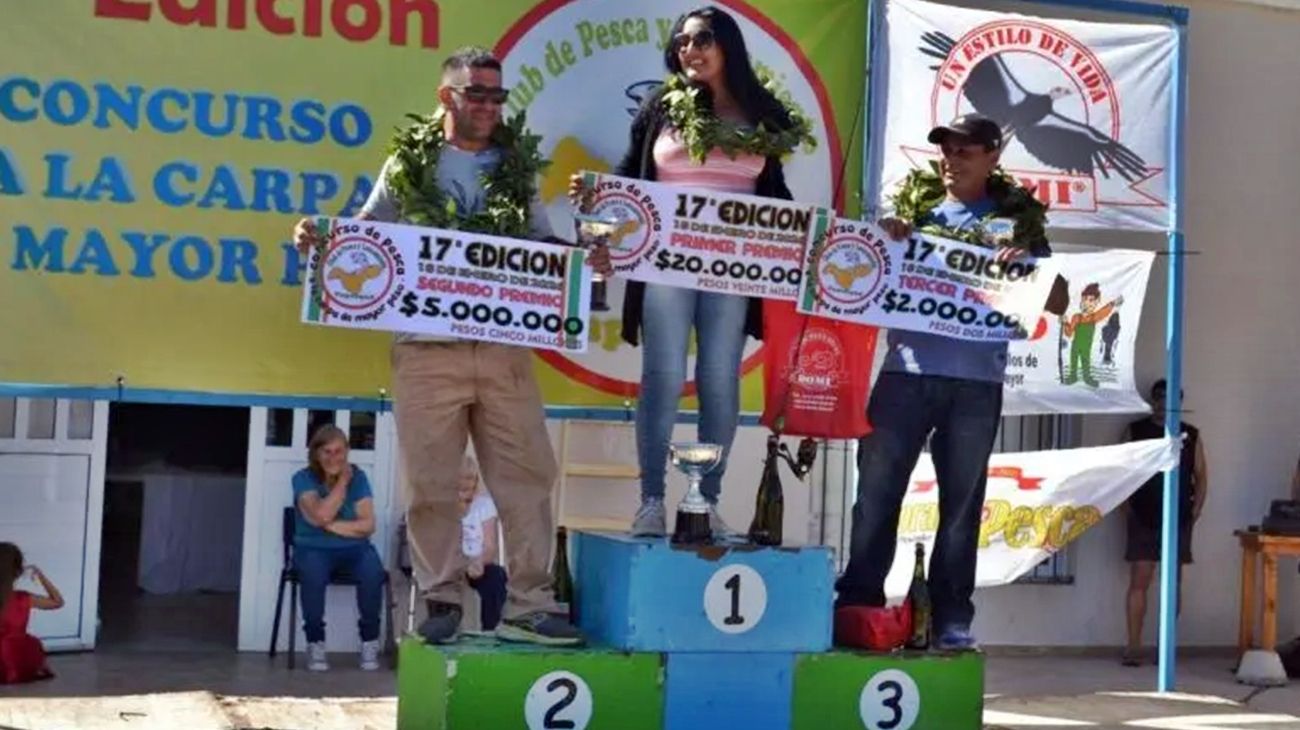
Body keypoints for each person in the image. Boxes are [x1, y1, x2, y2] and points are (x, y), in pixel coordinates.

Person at [293, 46, 607, 646]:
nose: (489, 106)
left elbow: (541, 243)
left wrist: (583, 262)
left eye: (498, 95)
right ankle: (440, 599)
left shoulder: (514, 165)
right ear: (447, 97)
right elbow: (369, 232)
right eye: (477, 94)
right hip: (426, 349)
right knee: (431, 483)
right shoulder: (409, 163)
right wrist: (320, 240)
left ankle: (530, 604)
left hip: (503, 347)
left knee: (529, 477)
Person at [571, 6, 810, 537]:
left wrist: (800, 239)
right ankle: (651, 502)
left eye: (701, 39)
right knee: (661, 375)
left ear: (727, 45)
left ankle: (707, 500)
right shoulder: (662, 105)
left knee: (720, 378)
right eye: (680, 42)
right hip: (665, 264)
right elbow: (627, 176)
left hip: (735, 269)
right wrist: (596, 207)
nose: (689, 49)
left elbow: (777, 193)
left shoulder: (763, 112)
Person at [834, 114, 1051, 651]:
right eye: (947, 150)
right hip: (904, 373)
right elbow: (867, 273)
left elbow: (1055, 299)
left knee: (961, 508)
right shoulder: (913, 213)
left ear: (992, 157)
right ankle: (857, 603)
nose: (952, 160)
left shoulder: (1019, 224)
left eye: (965, 151)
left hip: (976, 382)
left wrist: (1026, 267)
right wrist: (887, 237)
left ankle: (951, 616)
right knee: (876, 495)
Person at [1120, 379, 1206, 667]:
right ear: (1152, 400)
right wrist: (1126, 509)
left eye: (1169, 398)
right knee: (1140, 581)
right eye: (1158, 397)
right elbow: (1119, 472)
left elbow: (1201, 476)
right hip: (1143, 517)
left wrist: (1195, 511)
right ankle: (1133, 646)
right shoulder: (1135, 431)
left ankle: (1165, 647)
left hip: (1178, 518)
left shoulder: (1190, 435)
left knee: (1173, 583)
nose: (1163, 403)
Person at [291, 425, 386, 671]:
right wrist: (342, 482)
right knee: (313, 573)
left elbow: (368, 525)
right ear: (316, 453)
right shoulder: (303, 478)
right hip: (313, 547)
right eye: (327, 451)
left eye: (339, 451)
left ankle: (369, 641)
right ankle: (315, 643)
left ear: (347, 451)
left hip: (355, 548)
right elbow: (323, 513)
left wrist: (327, 525)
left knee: (372, 571)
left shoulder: (360, 477)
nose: (334, 457)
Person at [0, 542, 62, 684]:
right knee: (31, 645)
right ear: (18, 572)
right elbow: (57, 602)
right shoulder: (23, 598)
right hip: (17, 658)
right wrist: (40, 575)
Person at [458, 454, 507, 630]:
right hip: (452, 563)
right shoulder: (443, 505)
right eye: (459, 485)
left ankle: (490, 631)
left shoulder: (485, 505)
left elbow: (490, 545)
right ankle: (444, 627)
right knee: (440, 581)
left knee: (497, 576)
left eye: (469, 481)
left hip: (478, 562)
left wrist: (478, 562)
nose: (464, 490)